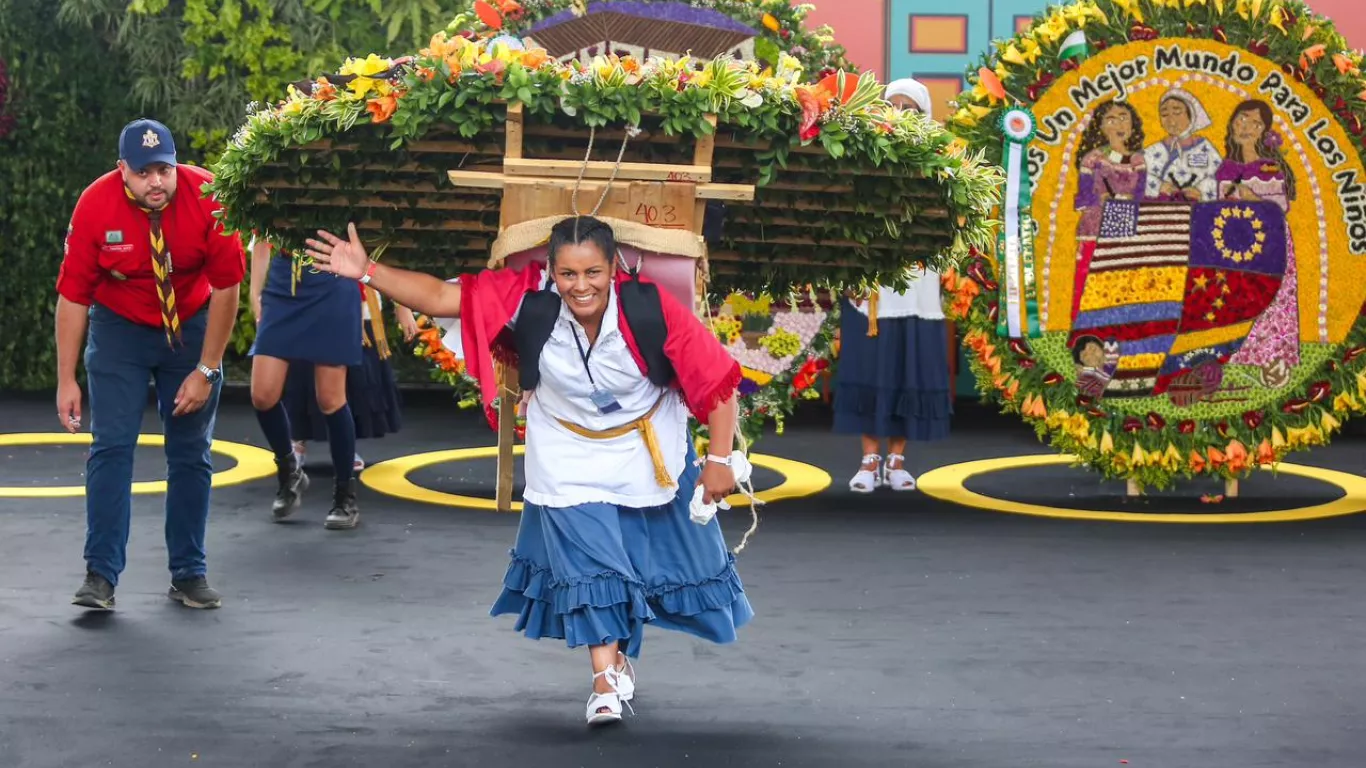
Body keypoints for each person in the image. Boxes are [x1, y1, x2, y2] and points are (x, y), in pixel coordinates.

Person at [303, 215, 752, 727]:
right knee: (591, 565)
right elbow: (438, 297)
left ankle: (621, 654)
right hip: (564, 451)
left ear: (614, 269)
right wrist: (366, 272)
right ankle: (604, 681)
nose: (580, 286)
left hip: (644, 449)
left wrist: (718, 461)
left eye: (593, 273)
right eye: (567, 274)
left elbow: (717, 380)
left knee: (639, 568)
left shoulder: (650, 307)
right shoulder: (527, 298)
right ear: (550, 271)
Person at [55, 118, 245, 611]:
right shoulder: (95, 204)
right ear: (123, 170)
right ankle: (100, 575)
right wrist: (65, 378)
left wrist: (206, 370)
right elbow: (73, 297)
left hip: (192, 326)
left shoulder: (209, 195)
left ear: (176, 163)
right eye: (143, 172)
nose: (155, 182)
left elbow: (228, 287)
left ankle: (189, 573)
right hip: (120, 331)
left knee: (189, 453)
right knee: (112, 447)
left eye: (164, 169)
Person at [835, 78, 952, 493]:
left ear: (925, 117)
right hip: (872, 287)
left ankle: (897, 461)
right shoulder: (863, 157)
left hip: (917, 286)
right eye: (894, 105)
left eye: (910, 108)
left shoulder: (941, 164)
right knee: (871, 368)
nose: (900, 114)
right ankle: (868, 461)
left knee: (907, 370)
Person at [247, 235, 362, 529]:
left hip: (334, 276)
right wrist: (254, 292)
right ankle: (289, 473)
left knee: (330, 398)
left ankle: (344, 496)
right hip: (285, 279)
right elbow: (260, 231)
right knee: (262, 394)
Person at [277, 287, 416, 472]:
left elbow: (382, 263)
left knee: (353, 378)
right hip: (309, 294)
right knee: (304, 370)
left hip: (360, 303)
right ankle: (296, 440)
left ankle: (344, 445)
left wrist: (402, 303)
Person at [1219, 99, 1299, 381]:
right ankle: (1235, 357)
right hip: (1235, 239)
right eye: (1242, 119)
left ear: (1264, 130)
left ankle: (1274, 361)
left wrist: (1252, 197)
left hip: (1270, 239)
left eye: (1255, 123)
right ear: (1232, 123)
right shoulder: (1225, 167)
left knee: (1274, 299)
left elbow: (1281, 208)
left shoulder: (1269, 167)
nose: (1246, 127)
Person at [1070, 100, 1148, 322]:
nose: (1118, 124)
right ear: (1101, 126)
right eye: (1111, 119)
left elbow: (1141, 195)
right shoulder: (1093, 159)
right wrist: (1101, 198)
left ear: (1133, 125)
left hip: (1127, 224)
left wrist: (1127, 202)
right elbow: (1084, 195)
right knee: (1089, 276)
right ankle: (1082, 328)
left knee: (1123, 280)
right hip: (1096, 225)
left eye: (1124, 118)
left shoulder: (1138, 160)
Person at [1142, 87, 1223, 202]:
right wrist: (1158, 186)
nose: (1171, 120)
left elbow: (1220, 177)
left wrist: (1201, 191)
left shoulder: (1204, 148)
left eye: (1177, 112)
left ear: (1191, 115)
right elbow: (1136, 177)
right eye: (1164, 114)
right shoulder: (1154, 150)